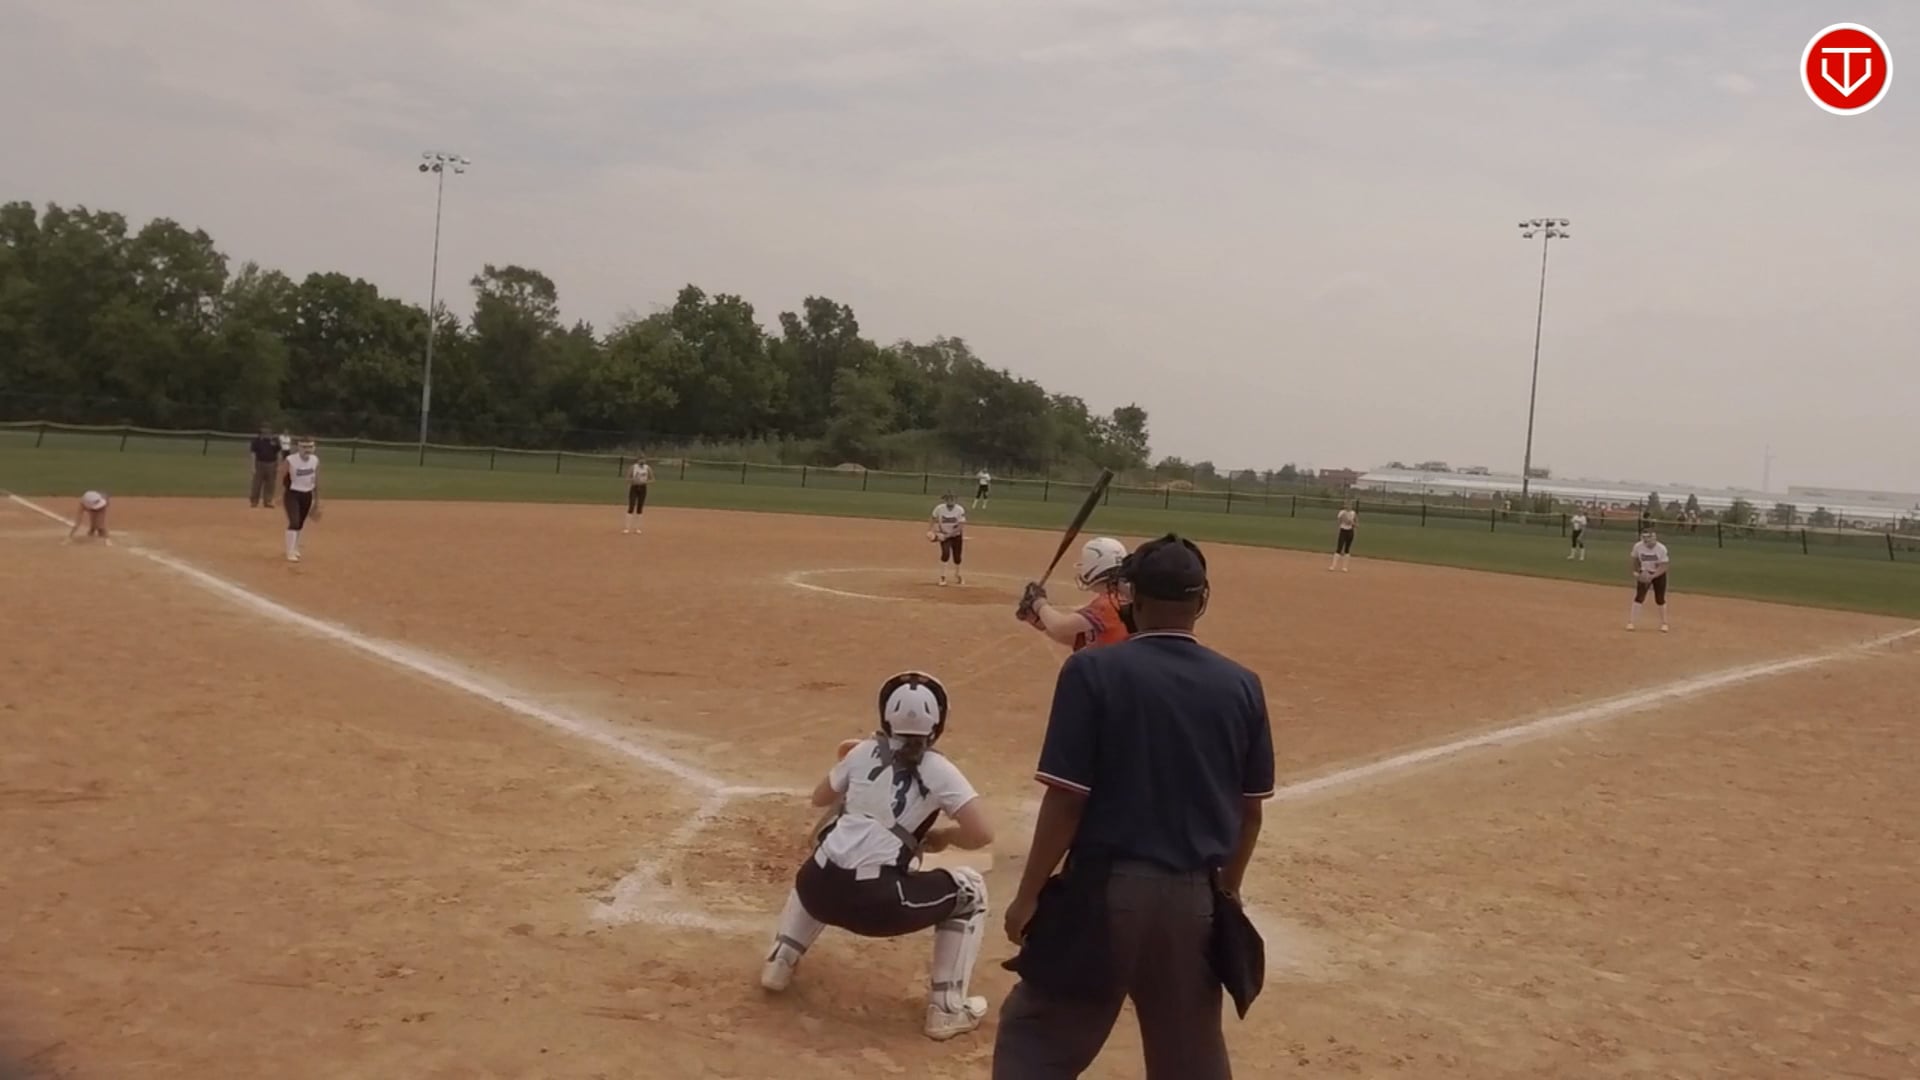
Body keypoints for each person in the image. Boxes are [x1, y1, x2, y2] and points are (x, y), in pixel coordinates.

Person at [994, 534, 1275, 1080]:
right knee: (1191, 1063)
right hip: (1194, 901)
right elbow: (1251, 813)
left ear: (1132, 599)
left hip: (1102, 897)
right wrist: (1226, 893)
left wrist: (1028, 895)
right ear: (1201, 600)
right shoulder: (1243, 685)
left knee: (1035, 1043)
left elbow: (1066, 800)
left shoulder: (1091, 671)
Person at [760, 671, 996, 1042]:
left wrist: (859, 778)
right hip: (877, 906)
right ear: (938, 722)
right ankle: (947, 1009)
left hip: (814, 891)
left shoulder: (863, 752)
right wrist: (942, 837)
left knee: (829, 853)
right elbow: (982, 834)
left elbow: (820, 798)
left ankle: (780, 959)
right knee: (972, 892)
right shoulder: (940, 770)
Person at [1017, 537, 1131, 651]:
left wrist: (1038, 602)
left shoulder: (1107, 604)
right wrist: (1040, 623)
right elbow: (1079, 640)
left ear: (1094, 567)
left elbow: (1060, 626)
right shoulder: (1123, 597)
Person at [278, 437, 322, 563]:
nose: (307, 450)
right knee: (294, 521)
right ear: (299, 447)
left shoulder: (315, 460)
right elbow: (281, 476)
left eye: (310, 447)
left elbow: (316, 480)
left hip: (307, 494)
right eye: (304, 447)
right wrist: (279, 494)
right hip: (292, 493)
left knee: (301, 523)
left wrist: (317, 500)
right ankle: (290, 551)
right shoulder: (291, 460)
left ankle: (295, 547)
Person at [1628, 527, 1670, 632]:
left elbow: (1664, 566)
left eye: (1649, 538)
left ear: (1654, 538)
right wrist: (1637, 572)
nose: (1647, 541)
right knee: (1639, 597)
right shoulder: (1638, 546)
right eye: (1645, 538)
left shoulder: (1661, 548)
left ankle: (1664, 623)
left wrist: (1653, 576)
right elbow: (1635, 559)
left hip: (1658, 574)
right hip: (1644, 572)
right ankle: (1631, 622)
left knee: (1660, 598)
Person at [929, 492, 967, 586]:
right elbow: (933, 518)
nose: (950, 501)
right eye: (948, 499)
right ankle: (943, 576)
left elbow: (961, 525)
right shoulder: (939, 508)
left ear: (955, 500)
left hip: (956, 535)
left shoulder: (959, 509)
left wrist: (949, 535)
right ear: (945, 500)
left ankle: (958, 574)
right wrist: (931, 530)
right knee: (945, 553)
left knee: (957, 557)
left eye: (952, 499)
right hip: (944, 535)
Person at [247, 424, 281, 509]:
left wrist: (278, 465)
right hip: (259, 464)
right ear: (261, 432)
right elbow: (253, 454)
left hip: (272, 464)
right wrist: (253, 466)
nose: (268, 434)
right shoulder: (256, 441)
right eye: (265, 432)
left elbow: (278, 453)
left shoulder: (275, 441)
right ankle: (254, 501)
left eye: (269, 432)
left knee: (270, 484)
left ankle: (268, 501)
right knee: (257, 484)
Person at [624, 456, 652, 534]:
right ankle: (627, 528)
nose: (642, 461)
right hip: (634, 487)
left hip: (643, 487)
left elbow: (652, 479)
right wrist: (633, 480)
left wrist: (645, 482)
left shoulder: (647, 468)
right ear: (637, 460)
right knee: (631, 505)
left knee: (640, 507)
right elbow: (627, 478)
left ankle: (637, 528)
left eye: (643, 459)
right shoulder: (633, 467)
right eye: (640, 459)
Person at [1328, 501, 1357, 571]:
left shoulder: (1353, 513)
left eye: (1349, 505)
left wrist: (1352, 523)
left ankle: (1345, 567)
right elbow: (1338, 522)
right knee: (1339, 548)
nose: (1348, 506)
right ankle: (1333, 566)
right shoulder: (1342, 512)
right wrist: (1343, 519)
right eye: (1346, 505)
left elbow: (1356, 525)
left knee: (1347, 549)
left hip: (1350, 532)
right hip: (1343, 531)